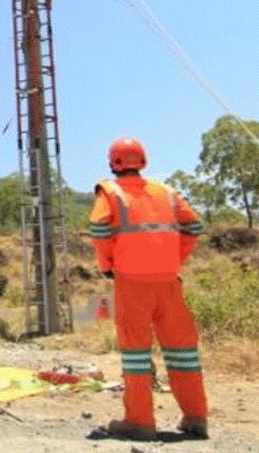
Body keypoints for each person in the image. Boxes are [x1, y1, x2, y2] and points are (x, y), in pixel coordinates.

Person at [89, 137, 209, 441]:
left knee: (136, 353)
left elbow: (99, 227)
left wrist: (107, 263)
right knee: (182, 350)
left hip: (132, 282)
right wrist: (174, 257)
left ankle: (139, 421)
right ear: (143, 161)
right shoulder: (167, 192)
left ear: (113, 162)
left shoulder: (110, 192)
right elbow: (194, 226)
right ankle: (196, 418)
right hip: (169, 280)